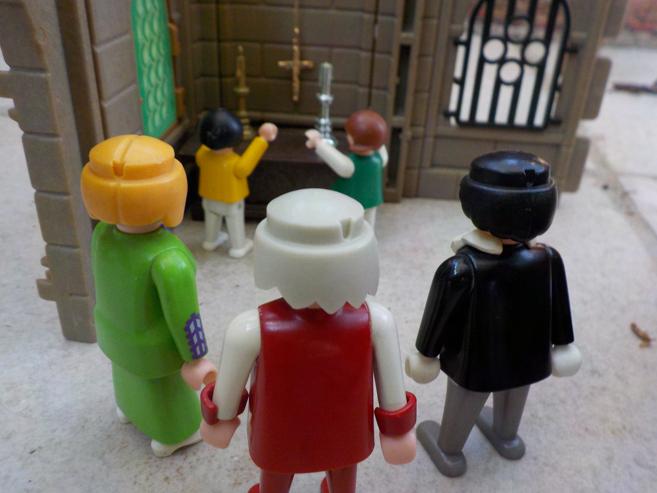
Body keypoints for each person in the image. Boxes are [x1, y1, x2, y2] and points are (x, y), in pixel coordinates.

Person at [198, 189, 416, 493]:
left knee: (279, 471)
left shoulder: (250, 328)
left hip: (281, 432)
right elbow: (392, 389)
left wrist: (219, 419)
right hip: (342, 430)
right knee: (339, 471)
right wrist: (397, 432)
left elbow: (227, 392)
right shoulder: (375, 321)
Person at [406, 151, 582, 477]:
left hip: (477, 361)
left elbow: (439, 314)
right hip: (528, 357)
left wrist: (426, 354)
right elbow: (560, 306)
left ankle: (450, 449)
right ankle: (506, 435)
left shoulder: (461, 267)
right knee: (515, 394)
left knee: (466, 401)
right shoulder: (547, 257)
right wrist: (563, 344)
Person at [80, 135, 216, 457]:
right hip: (156, 351)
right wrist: (196, 358)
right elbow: (186, 317)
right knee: (164, 393)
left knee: (126, 379)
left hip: (114, 334)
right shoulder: (169, 260)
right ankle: (174, 433)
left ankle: (128, 410)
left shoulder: (102, 235)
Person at [196, 108, 278, 257]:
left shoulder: (202, 156)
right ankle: (238, 246)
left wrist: (207, 130)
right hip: (231, 201)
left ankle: (210, 240)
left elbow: (204, 147)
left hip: (208, 198)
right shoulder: (235, 163)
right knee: (235, 224)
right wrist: (262, 139)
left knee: (211, 220)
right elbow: (246, 166)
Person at [305, 109, 388, 227]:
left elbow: (335, 158)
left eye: (349, 135)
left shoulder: (350, 166)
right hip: (372, 200)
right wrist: (376, 137)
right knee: (368, 226)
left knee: (347, 227)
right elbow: (380, 146)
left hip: (350, 201)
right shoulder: (380, 159)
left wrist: (317, 142)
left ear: (353, 139)